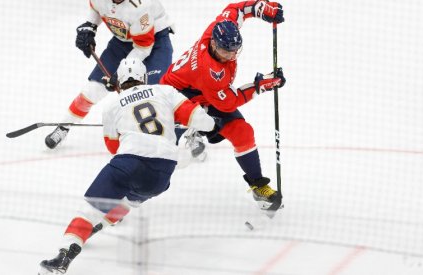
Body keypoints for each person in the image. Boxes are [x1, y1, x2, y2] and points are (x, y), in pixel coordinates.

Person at [38, 58, 216, 275]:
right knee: (131, 198)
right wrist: (198, 123)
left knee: (91, 208)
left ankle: (63, 255)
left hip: (129, 162)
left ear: (119, 81)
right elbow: (204, 122)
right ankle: (100, 224)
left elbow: (113, 147)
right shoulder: (165, 91)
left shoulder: (113, 105)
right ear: (144, 77)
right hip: (162, 174)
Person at [160, 0, 286, 210]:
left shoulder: (219, 29)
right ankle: (122, 197)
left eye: (235, 50)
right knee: (163, 157)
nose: (231, 56)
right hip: (176, 98)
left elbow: (237, 9)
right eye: (226, 52)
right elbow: (228, 102)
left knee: (243, 133)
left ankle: (258, 186)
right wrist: (261, 85)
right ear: (214, 45)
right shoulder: (210, 72)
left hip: (202, 93)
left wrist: (262, 9)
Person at [45, 0, 175, 150]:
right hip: (122, 42)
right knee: (93, 90)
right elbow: (96, 8)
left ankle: (177, 133)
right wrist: (90, 26)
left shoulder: (141, 7)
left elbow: (143, 47)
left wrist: (121, 72)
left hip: (153, 43)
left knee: (153, 94)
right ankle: (64, 126)